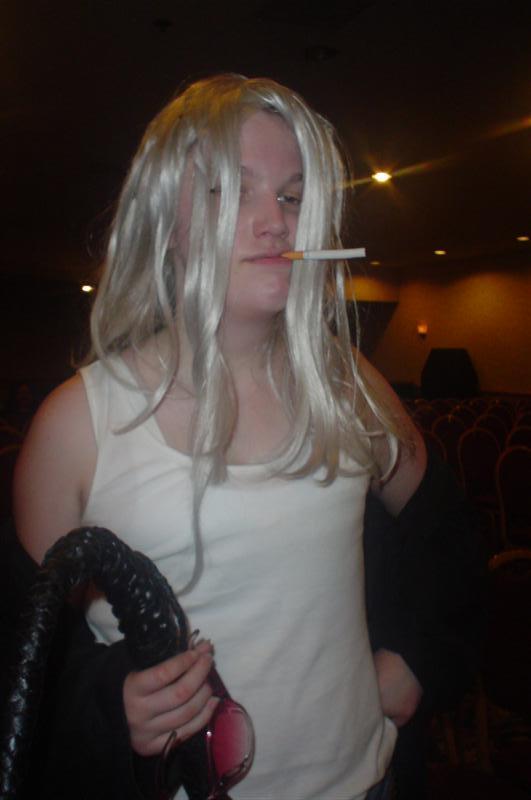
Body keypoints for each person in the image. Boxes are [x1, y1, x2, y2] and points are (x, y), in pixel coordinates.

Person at [11, 74, 475, 799]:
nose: (276, 223)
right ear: (165, 220)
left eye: (291, 197)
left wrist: (418, 654)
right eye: (230, 190)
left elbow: (444, 526)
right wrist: (110, 703)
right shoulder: (76, 423)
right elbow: (25, 659)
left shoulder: (344, 381)